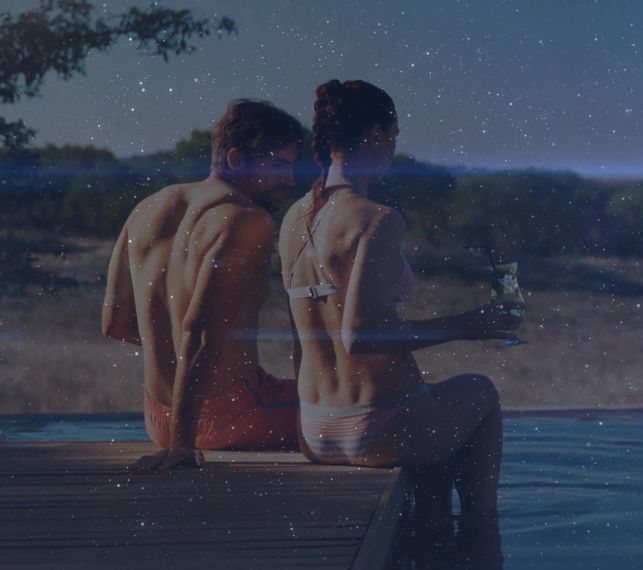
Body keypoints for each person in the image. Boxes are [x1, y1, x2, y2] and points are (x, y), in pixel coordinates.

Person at [279, 79, 520, 567]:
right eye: (392, 135)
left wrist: (307, 423)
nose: (393, 147)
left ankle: (430, 530)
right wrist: (466, 323)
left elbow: (304, 334)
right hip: (376, 428)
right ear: (373, 134)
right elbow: (361, 336)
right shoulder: (376, 219)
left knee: (432, 416)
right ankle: (480, 539)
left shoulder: (294, 218)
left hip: (316, 428)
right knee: (481, 391)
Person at [102, 99, 305, 471]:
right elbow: (199, 331)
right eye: (278, 165)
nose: (290, 180)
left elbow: (115, 322)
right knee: (357, 406)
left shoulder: (146, 208)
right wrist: (183, 444)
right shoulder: (246, 220)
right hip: (221, 420)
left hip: (157, 419)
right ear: (235, 159)